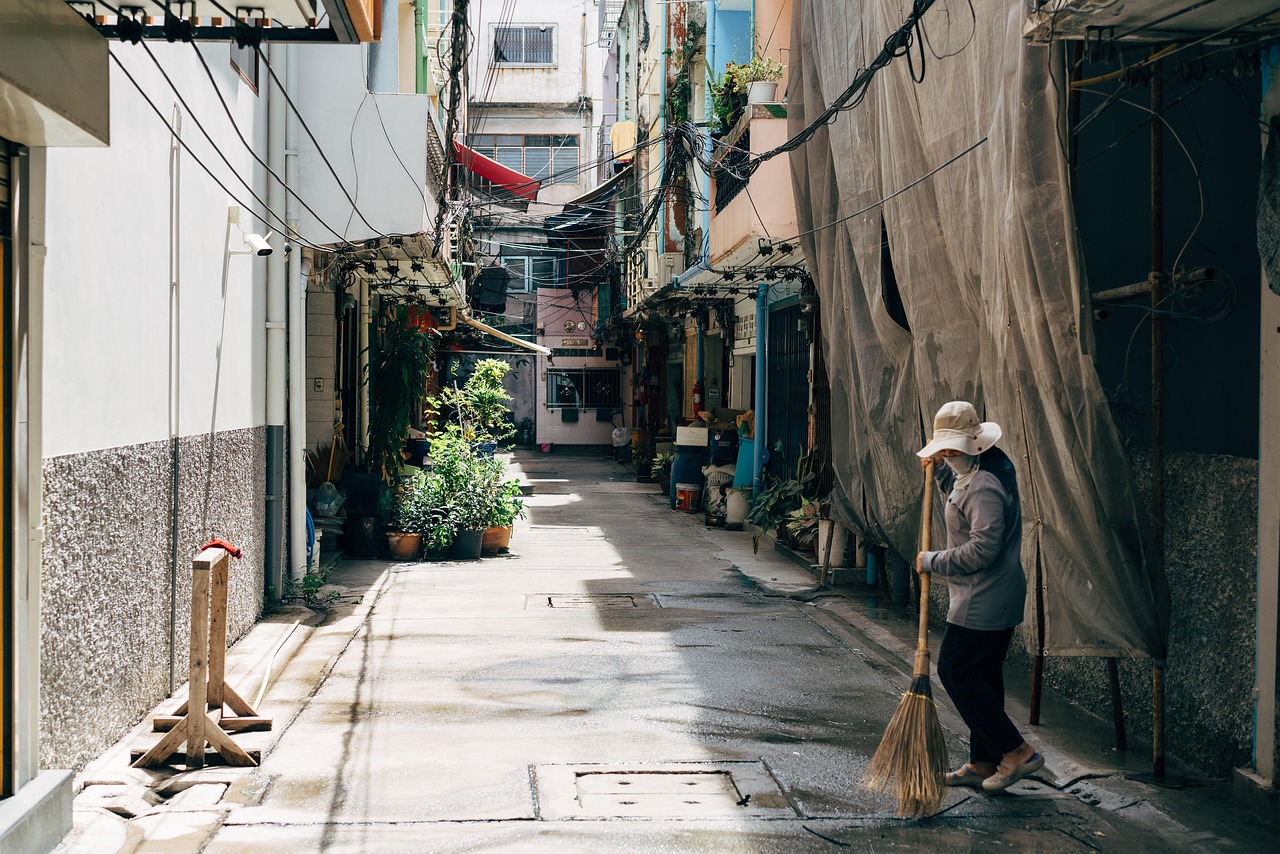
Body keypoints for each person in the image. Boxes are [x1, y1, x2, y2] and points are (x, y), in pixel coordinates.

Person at [915, 400, 1043, 792]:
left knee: (956, 670)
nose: (948, 455)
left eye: (951, 450)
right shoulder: (980, 470)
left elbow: (983, 549)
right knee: (982, 676)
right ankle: (983, 762)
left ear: (974, 445)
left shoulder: (985, 485)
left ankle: (1017, 752)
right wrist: (940, 470)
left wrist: (933, 560)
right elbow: (960, 496)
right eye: (944, 450)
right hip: (989, 594)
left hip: (983, 598)